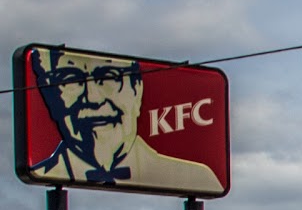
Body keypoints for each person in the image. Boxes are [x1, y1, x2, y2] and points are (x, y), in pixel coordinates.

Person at [26, 46, 223, 194]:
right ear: (49, 95)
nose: (93, 98)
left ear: (137, 89)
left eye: (109, 77)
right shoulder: (42, 171)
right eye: (70, 80)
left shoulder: (196, 176)